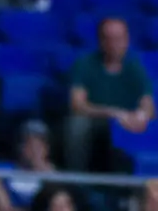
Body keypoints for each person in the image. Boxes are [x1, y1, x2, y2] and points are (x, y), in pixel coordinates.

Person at [65, 17, 153, 173]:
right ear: (101, 41)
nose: (114, 45)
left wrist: (140, 115)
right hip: (95, 121)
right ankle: (76, 178)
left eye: (119, 39)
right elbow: (77, 105)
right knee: (77, 125)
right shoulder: (85, 64)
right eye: (109, 39)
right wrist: (113, 113)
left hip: (123, 123)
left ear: (127, 40)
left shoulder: (135, 68)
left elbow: (148, 105)